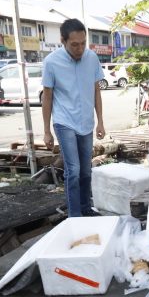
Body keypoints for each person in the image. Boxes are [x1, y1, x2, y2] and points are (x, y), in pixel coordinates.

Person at [42, 18, 106, 218]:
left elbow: (96, 90)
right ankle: (75, 215)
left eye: (83, 43)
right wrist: (46, 130)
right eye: (74, 45)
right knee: (74, 169)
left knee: (86, 170)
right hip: (64, 121)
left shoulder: (92, 58)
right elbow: (48, 96)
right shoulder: (51, 62)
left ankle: (86, 208)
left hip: (86, 121)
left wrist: (101, 121)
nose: (80, 49)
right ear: (63, 40)